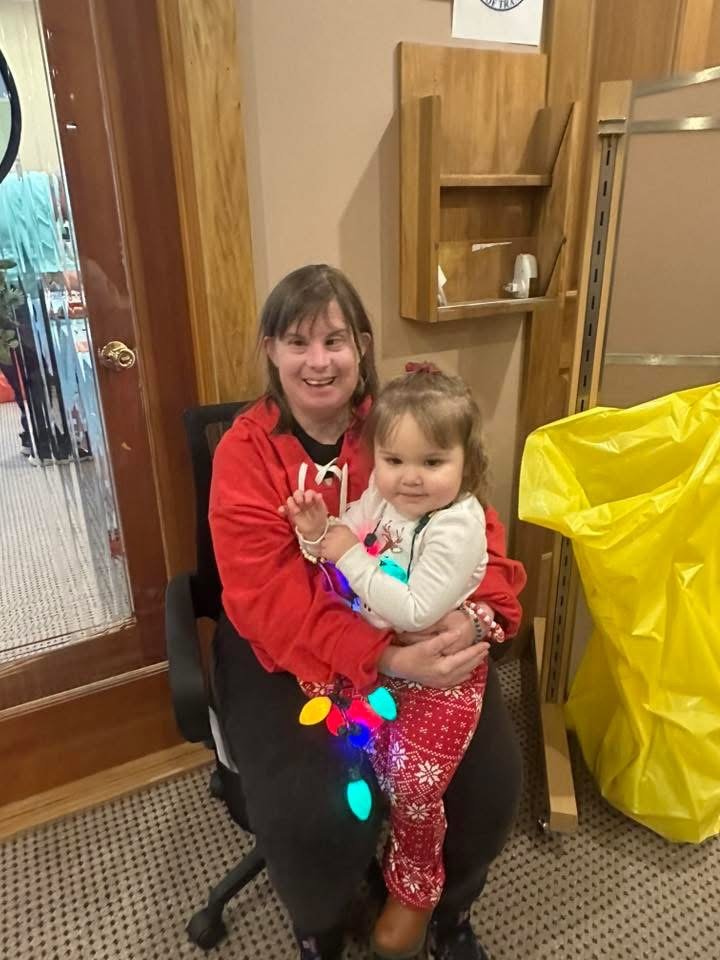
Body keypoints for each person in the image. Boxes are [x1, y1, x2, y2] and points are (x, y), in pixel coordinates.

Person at [209, 264, 526, 960]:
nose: (318, 361)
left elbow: (479, 535)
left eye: (334, 340)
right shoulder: (245, 453)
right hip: (292, 650)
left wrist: (477, 616)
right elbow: (270, 602)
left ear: (362, 346)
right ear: (271, 350)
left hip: (414, 629)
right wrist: (386, 658)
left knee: (489, 789)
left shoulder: (404, 421)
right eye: (298, 342)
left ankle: (444, 908)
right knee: (315, 814)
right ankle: (321, 929)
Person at [283, 364, 501, 957]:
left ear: (466, 463)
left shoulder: (457, 525)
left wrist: (347, 555)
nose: (410, 477)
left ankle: (416, 881)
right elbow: (340, 534)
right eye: (394, 460)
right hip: (380, 655)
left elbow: (414, 607)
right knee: (334, 744)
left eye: (432, 462)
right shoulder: (383, 497)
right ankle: (354, 862)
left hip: (440, 670)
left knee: (414, 783)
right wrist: (316, 531)